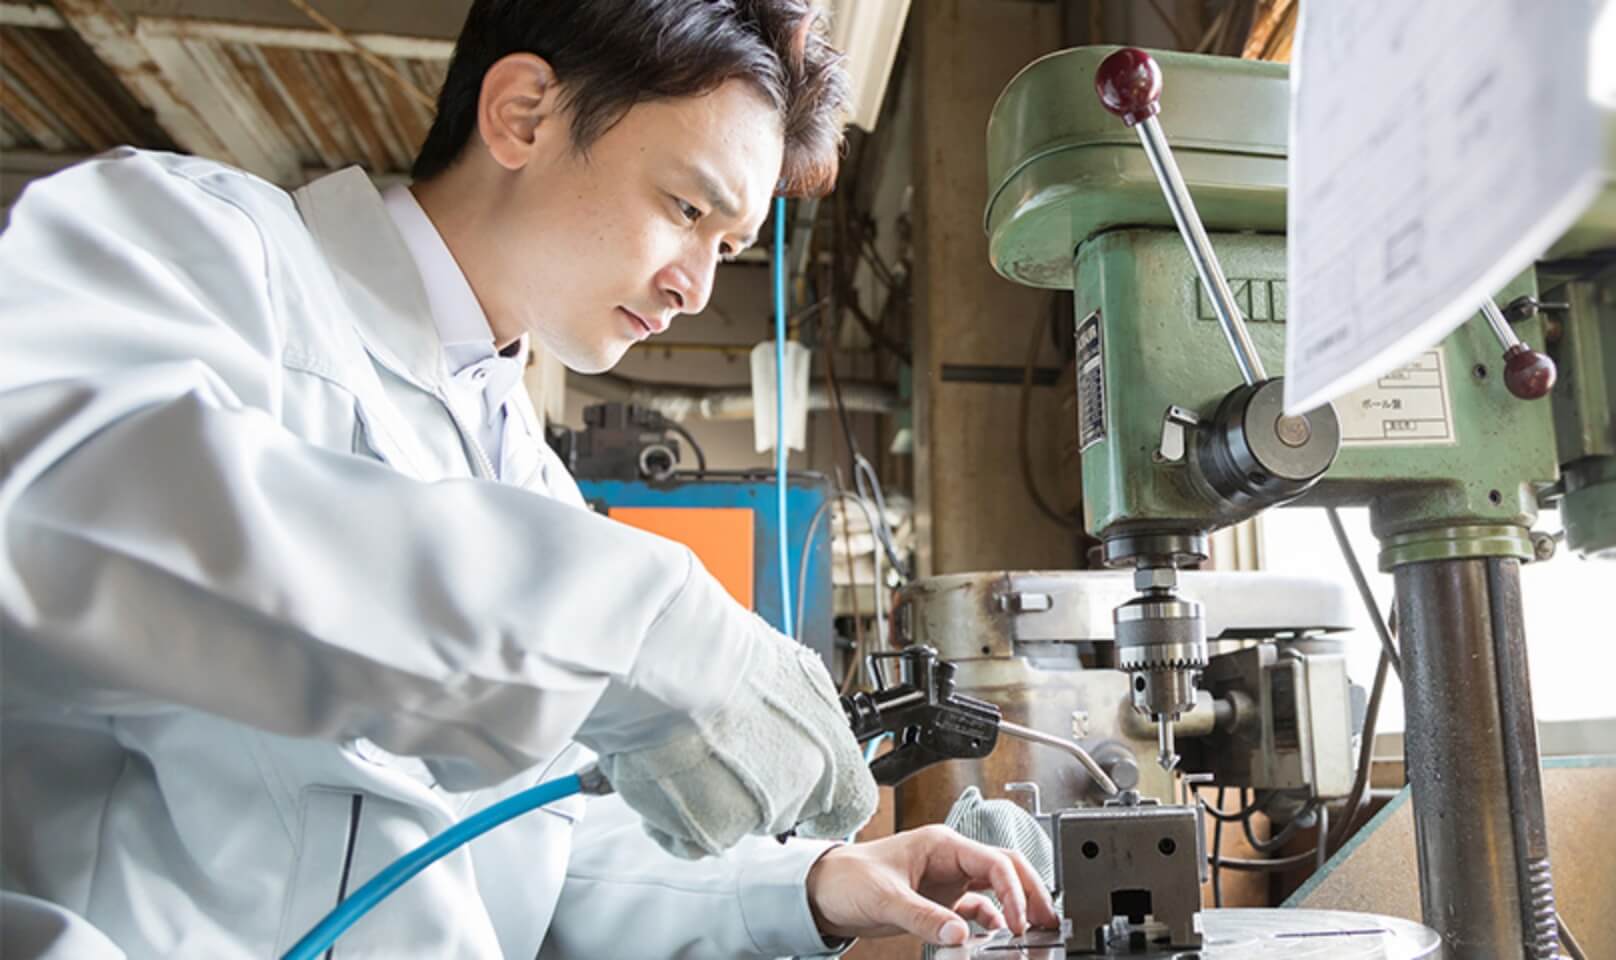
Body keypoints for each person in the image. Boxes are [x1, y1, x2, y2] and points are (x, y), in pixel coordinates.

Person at [0, 1, 1056, 956]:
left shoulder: (528, 486)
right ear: (521, 114)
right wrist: (646, 628)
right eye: (689, 209)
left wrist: (813, 885)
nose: (696, 286)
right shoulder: (196, 243)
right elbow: (64, 501)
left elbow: (515, 857)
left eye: (729, 247)